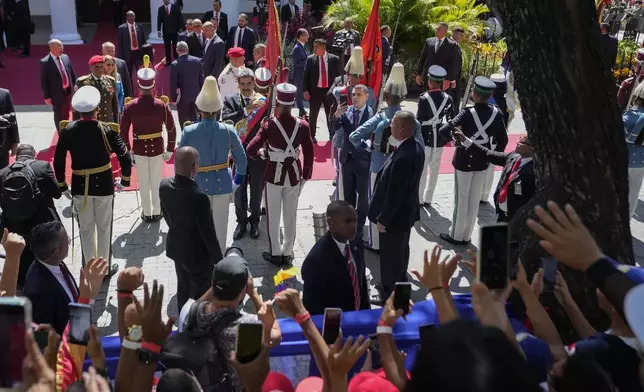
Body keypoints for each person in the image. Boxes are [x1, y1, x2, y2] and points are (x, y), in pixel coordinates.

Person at [54, 86, 131, 274]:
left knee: (86, 230)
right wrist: (125, 180)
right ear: (97, 109)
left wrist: (63, 185)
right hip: (104, 186)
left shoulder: (68, 130)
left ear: (78, 111)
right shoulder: (106, 130)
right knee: (104, 228)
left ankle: (90, 268)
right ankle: (103, 269)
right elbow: (125, 156)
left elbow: (58, 160)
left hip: (80, 187)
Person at [176, 254, 281, 392]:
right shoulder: (247, 326)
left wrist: (220, 282)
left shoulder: (191, 312)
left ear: (212, 284)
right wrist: (254, 294)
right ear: (244, 291)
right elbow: (276, 337)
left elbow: (199, 302)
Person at [350, 63, 423, 252]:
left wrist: (369, 148)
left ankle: (375, 243)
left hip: (377, 166)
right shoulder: (411, 120)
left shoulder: (380, 118)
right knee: (396, 202)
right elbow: (420, 146)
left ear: (387, 97)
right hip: (402, 167)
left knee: (376, 204)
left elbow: (354, 136)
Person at [246, 83, 314, 266]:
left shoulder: (269, 125)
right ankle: (288, 252)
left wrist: (262, 154)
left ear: (277, 102)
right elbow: (309, 152)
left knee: (273, 216)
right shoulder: (303, 125)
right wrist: (305, 176)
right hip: (293, 176)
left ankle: (275, 252)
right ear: (292, 104)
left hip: (273, 176)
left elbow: (251, 148)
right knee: (290, 216)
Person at [179, 76, 247, 251]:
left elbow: (180, 164)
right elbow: (242, 160)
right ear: (218, 109)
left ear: (199, 109)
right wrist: (236, 183)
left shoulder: (189, 131)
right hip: (223, 185)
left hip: (197, 187)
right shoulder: (228, 129)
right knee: (221, 232)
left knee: (200, 232)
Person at [438, 76, 508, 245]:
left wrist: (455, 140)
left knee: (461, 199)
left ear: (476, 94)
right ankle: (467, 236)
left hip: (463, 160)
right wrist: (492, 154)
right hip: (483, 161)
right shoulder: (496, 113)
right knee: (474, 199)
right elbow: (503, 140)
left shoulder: (467, 113)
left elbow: (444, 130)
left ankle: (456, 235)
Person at [367, 111, 424, 301]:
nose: (389, 126)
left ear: (400, 128)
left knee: (391, 259)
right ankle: (396, 287)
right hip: (404, 215)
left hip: (395, 218)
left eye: (392, 124)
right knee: (399, 256)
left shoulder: (403, 157)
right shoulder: (414, 146)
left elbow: (395, 193)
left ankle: (389, 295)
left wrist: (383, 219)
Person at [159, 146, 223, 311]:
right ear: (194, 168)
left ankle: (183, 321)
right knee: (202, 295)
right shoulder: (199, 197)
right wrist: (220, 262)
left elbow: (167, 216)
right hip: (197, 256)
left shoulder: (164, 185)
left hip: (176, 247)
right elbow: (208, 235)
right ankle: (197, 325)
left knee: (183, 287)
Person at [120, 63, 176, 223]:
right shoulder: (162, 105)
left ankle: (147, 212)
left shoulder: (130, 106)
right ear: (153, 85)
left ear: (138, 84)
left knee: (144, 183)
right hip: (158, 149)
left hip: (139, 150)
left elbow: (123, 131)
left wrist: (128, 150)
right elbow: (171, 129)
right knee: (157, 181)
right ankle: (157, 211)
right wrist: (170, 148)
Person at [0, 144, 61, 287]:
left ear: (16, 156)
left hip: (14, 225)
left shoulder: (2, 173)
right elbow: (57, 194)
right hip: (41, 223)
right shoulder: (42, 167)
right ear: (33, 155)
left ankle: (20, 283)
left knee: (21, 256)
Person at [222, 67, 270, 240]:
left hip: (257, 154)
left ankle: (255, 222)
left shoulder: (264, 101)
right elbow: (226, 120)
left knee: (257, 190)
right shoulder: (230, 100)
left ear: (254, 83)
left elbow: (269, 126)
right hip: (237, 153)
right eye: (243, 84)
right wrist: (246, 110)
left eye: (249, 83)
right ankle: (241, 222)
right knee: (239, 190)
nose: (246, 87)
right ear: (238, 84)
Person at [302, 198, 371, 315]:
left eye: (355, 220)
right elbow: (313, 308)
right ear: (330, 223)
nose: (353, 225)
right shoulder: (316, 261)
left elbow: (361, 284)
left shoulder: (356, 242)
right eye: (347, 221)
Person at [453, 131, 533, 222]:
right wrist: (465, 140)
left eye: (522, 142)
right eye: (519, 140)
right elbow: (487, 154)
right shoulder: (513, 157)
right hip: (501, 214)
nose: (517, 143)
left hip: (517, 220)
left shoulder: (534, 170)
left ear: (531, 148)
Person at [332, 84, 373, 241]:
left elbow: (368, 137)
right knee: (348, 196)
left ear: (366, 97)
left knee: (362, 198)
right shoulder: (347, 111)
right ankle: (349, 227)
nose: (355, 98)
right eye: (353, 95)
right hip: (347, 159)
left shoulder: (370, 114)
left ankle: (360, 228)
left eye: (358, 95)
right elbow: (335, 127)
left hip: (362, 161)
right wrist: (336, 116)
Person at [23, 222, 79, 335]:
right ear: (56, 252)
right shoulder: (38, 292)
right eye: (67, 241)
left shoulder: (54, 262)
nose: (69, 242)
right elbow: (46, 336)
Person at [417, 65, 453, 207]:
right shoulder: (448, 99)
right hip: (440, 139)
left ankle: (419, 198)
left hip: (425, 138)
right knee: (435, 169)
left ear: (430, 81)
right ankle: (429, 198)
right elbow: (452, 119)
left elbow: (419, 120)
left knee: (423, 169)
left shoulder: (424, 98)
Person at [480, 73, 512, 203]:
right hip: (497, 140)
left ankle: (479, 193)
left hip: (485, 139)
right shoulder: (507, 103)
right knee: (490, 170)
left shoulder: (487, 102)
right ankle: (484, 196)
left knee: (482, 168)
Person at [303, 38, 342, 143]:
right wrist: (305, 90)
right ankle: (312, 136)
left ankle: (332, 135)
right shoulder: (310, 59)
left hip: (330, 91)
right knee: (313, 114)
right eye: (314, 46)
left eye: (316, 47)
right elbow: (305, 76)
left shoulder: (334, 59)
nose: (314, 49)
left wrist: (337, 91)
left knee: (330, 113)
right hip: (315, 91)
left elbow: (338, 77)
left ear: (323, 47)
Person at [40, 40, 77, 133]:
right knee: (59, 114)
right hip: (56, 93)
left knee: (69, 112)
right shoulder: (45, 62)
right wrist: (47, 96)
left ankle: (69, 129)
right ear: (51, 48)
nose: (61, 48)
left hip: (69, 91)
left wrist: (76, 85)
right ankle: (61, 133)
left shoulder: (65, 57)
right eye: (58, 47)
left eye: (62, 46)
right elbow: (44, 81)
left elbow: (72, 73)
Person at [415, 22, 460, 92]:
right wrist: (419, 74)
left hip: (442, 79)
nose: (436, 30)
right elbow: (422, 58)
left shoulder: (451, 45)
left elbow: (454, 64)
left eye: (438, 29)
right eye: (436, 29)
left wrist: (449, 79)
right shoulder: (429, 41)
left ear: (445, 32)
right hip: (428, 77)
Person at [74, 56, 119, 123]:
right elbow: (77, 107)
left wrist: (117, 124)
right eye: (96, 67)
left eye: (101, 66)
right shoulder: (82, 82)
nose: (100, 69)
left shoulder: (110, 81)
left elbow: (115, 105)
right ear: (91, 68)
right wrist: (75, 124)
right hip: (90, 123)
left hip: (107, 121)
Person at [171, 41, 204, 129]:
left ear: (177, 50)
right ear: (188, 50)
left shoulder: (175, 64)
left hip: (182, 97)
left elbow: (173, 83)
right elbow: (201, 80)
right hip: (196, 95)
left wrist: (173, 98)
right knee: (195, 118)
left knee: (183, 120)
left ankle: (185, 138)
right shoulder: (197, 61)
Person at [624, 81, 644, 218]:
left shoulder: (630, 116)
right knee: (634, 193)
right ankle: (627, 219)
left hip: (624, 157)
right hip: (641, 161)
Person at [117, 11, 145, 80]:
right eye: (130, 16)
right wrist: (120, 57)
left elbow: (143, 41)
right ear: (126, 17)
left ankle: (141, 88)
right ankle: (130, 90)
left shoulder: (139, 27)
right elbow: (120, 44)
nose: (131, 18)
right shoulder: (121, 28)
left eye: (133, 16)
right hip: (128, 54)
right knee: (128, 74)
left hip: (138, 53)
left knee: (140, 73)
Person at [157, 0, 183, 65]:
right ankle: (168, 60)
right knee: (167, 47)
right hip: (166, 31)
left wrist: (180, 28)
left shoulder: (175, 7)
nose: (165, 1)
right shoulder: (161, 9)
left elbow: (180, 18)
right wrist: (159, 30)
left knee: (175, 46)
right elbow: (159, 19)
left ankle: (176, 58)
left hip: (175, 31)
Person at [292, 28, 309, 117]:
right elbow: (296, 63)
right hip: (299, 75)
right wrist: (307, 62)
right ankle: (301, 110)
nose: (308, 37)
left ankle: (301, 111)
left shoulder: (303, 46)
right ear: (301, 36)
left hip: (303, 74)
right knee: (299, 93)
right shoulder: (297, 48)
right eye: (306, 35)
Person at [0, 87, 18, 169]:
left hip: (3, 143)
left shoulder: (5, 93)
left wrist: (15, 142)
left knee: (3, 172)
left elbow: (13, 120)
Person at [449, 26, 464, 116]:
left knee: (456, 98)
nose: (461, 37)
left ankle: (455, 116)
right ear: (454, 33)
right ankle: (453, 117)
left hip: (456, 77)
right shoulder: (450, 44)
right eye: (460, 35)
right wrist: (452, 78)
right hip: (452, 78)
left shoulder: (456, 45)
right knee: (453, 99)